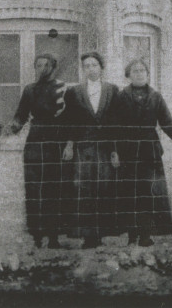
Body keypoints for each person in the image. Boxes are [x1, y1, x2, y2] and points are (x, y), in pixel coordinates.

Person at [117, 59, 172, 246]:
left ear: (147, 74)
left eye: (142, 70)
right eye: (135, 71)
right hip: (128, 150)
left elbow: (166, 121)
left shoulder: (156, 97)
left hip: (150, 151)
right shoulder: (121, 96)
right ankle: (131, 235)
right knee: (129, 192)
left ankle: (145, 235)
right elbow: (113, 126)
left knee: (148, 192)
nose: (139, 73)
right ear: (128, 75)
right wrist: (114, 151)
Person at [61, 52, 121, 249]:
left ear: (101, 67)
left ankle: (101, 234)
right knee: (84, 188)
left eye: (94, 65)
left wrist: (114, 150)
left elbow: (115, 122)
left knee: (103, 187)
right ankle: (87, 236)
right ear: (83, 69)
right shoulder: (74, 92)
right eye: (87, 66)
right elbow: (69, 122)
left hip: (104, 148)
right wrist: (69, 145)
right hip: (83, 148)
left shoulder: (112, 90)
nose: (91, 69)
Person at [8, 53, 68, 249]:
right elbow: (21, 115)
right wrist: (12, 127)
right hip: (34, 142)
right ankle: (36, 236)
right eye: (38, 65)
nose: (41, 68)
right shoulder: (30, 90)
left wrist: (69, 143)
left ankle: (53, 237)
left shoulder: (62, 88)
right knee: (33, 189)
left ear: (53, 67)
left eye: (45, 65)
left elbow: (70, 117)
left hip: (55, 142)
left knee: (54, 189)